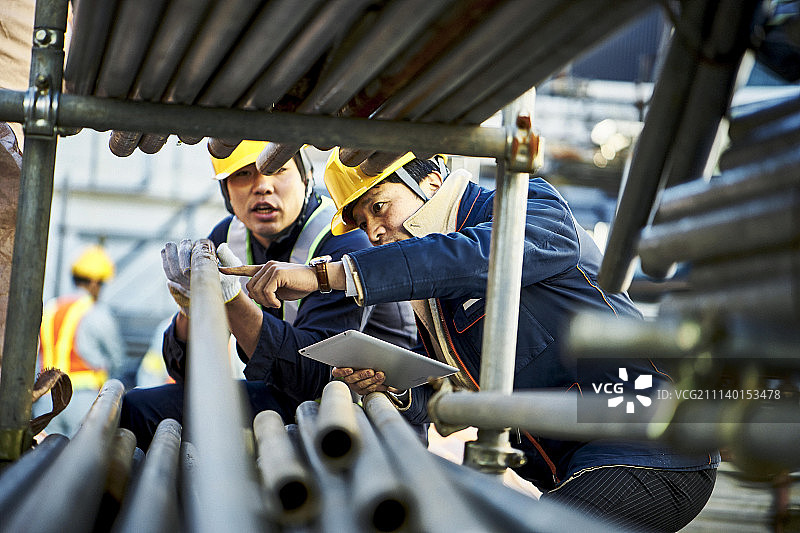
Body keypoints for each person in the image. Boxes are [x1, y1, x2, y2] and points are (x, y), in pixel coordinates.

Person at [245, 149, 720, 532]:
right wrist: (394, 386)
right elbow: (445, 399)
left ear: (431, 181)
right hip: (575, 465)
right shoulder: (435, 301)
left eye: (379, 207)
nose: (374, 231)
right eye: (362, 223)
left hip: (651, 448)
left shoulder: (526, 207)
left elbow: (475, 257)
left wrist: (328, 274)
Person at [120, 141, 417, 450]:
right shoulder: (226, 238)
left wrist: (232, 302)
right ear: (227, 193)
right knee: (139, 410)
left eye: (277, 170)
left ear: (306, 177)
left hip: (365, 417)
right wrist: (191, 313)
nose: (262, 186)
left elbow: (312, 376)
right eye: (243, 174)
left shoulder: (345, 241)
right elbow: (190, 373)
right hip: (286, 397)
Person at [36, 244, 126, 436]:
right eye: (101, 283)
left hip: (46, 399)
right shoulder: (96, 313)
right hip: (84, 397)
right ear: (94, 282)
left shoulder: (50, 309)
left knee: (44, 456)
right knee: (80, 458)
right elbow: (117, 358)